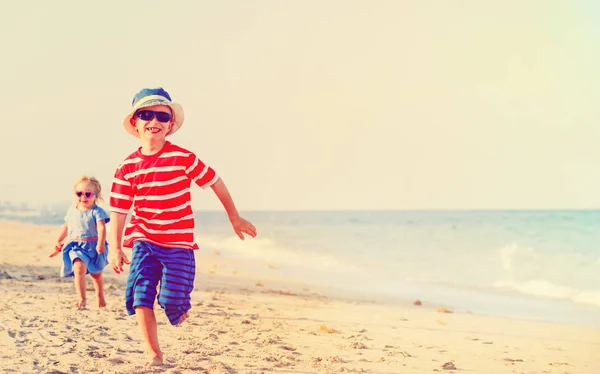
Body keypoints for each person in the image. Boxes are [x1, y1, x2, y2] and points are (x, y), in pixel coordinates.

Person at [108, 87, 257, 366]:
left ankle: (178, 307)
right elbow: (119, 209)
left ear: (171, 124)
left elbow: (215, 182)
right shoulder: (126, 167)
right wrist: (115, 247)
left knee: (172, 302)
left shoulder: (183, 158)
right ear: (135, 123)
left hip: (178, 243)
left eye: (162, 116)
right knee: (140, 296)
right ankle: (154, 353)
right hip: (143, 238)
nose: (154, 121)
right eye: (146, 114)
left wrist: (234, 217)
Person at [50, 175, 110, 309]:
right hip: (76, 246)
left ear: (96, 195)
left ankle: (100, 296)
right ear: (75, 194)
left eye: (88, 194)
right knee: (78, 269)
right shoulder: (72, 210)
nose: (83, 197)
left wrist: (101, 243)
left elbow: (101, 228)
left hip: (93, 246)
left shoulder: (97, 212)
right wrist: (58, 240)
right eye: (79, 193)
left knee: (96, 274)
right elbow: (66, 227)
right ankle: (81, 298)